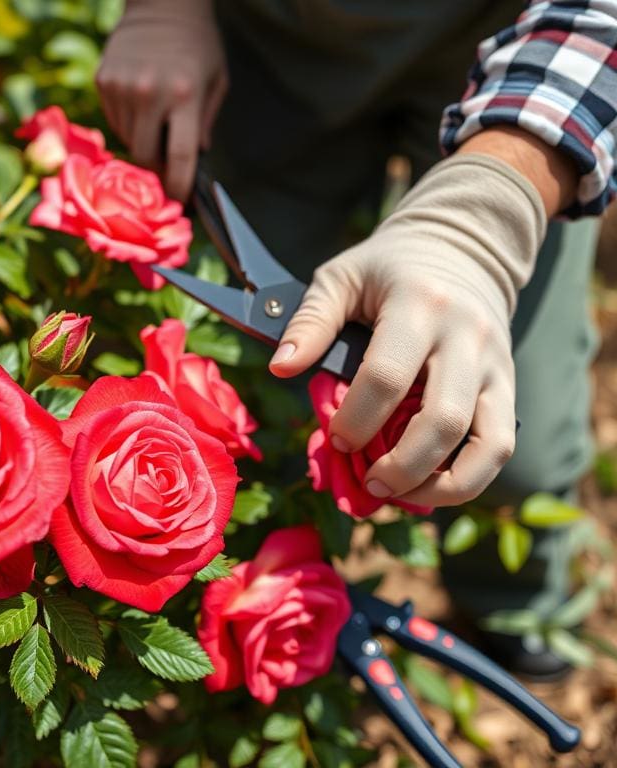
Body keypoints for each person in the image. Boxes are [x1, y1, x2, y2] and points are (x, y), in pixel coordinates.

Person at [96, 0, 617, 678]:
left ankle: (515, 605)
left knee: (518, 452)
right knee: (249, 405)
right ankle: (272, 607)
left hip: (536, 46)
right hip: (274, 40)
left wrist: (483, 217)